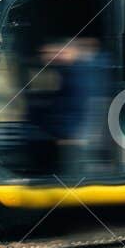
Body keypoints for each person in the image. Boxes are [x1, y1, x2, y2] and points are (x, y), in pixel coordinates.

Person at [26, 36, 113, 179]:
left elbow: (78, 108)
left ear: (67, 51)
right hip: (73, 138)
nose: (47, 58)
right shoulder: (73, 70)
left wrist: (66, 134)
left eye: (51, 53)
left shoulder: (82, 72)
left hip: (75, 141)